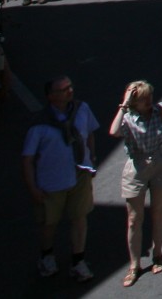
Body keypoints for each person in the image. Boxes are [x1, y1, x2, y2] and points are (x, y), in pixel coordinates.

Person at [23, 75, 99, 280]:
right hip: (51, 182)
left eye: (70, 87)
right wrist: (33, 188)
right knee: (49, 223)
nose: (70, 92)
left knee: (79, 218)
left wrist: (91, 156)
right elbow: (28, 160)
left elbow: (89, 133)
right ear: (50, 96)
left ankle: (78, 261)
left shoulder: (82, 109)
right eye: (63, 90)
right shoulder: (39, 125)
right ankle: (47, 257)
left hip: (79, 174)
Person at [108, 80, 162, 284]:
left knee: (158, 211)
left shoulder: (159, 110)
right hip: (137, 168)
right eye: (143, 99)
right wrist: (124, 103)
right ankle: (134, 265)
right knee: (134, 219)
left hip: (160, 163)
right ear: (133, 102)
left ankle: (158, 254)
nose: (149, 101)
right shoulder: (128, 118)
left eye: (149, 97)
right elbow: (113, 132)